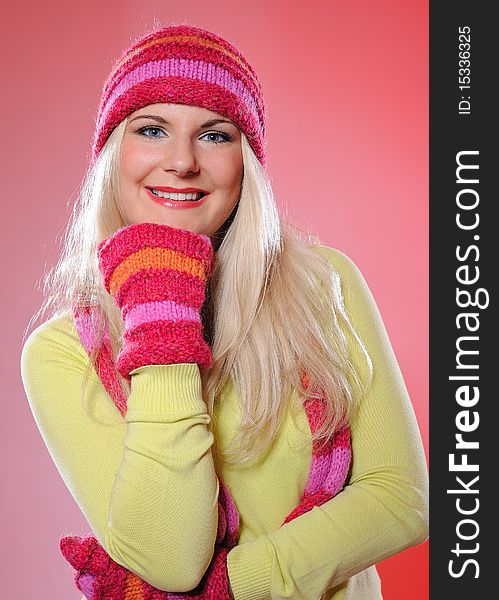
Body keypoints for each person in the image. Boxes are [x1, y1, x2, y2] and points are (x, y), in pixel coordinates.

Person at [20, 24, 429, 600]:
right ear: (114, 155)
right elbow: (172, 562)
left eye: (215, 135)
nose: (182, 162)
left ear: (247, 164)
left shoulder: (324, 286)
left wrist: (238, 585)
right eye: (152, 129)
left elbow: (400, 498)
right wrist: (161, 310)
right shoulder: (60, 353)